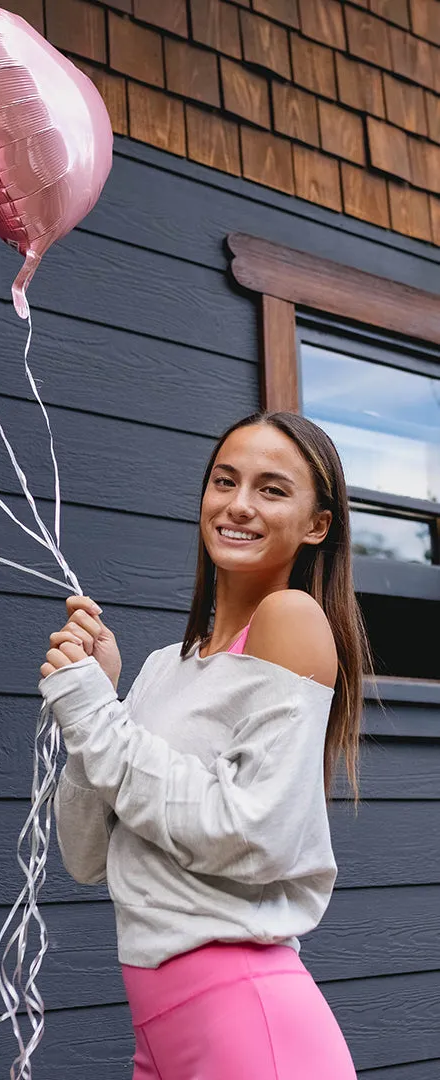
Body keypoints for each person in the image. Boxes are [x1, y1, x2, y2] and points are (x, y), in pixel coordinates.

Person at [38, 411, 370, 1080]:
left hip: (244, 1016)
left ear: (318, 523)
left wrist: (97, 715)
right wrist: (99, 704)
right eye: (225, 481)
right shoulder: (166, 665)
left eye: (272, 489)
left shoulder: (291, 617)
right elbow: (88, 856)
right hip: (162, 1030)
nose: (238, 505)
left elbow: (252, 832)